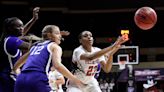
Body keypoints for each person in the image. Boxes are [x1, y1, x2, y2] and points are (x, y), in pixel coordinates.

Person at [13, 25, 85, 92]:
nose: (60, 36)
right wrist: (76, 80)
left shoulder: (34, 47)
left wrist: (22, 76)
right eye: (57, 33)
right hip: (38, 78)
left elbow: (15, 67)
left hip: (21, 79)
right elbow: (57, 65)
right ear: (49, 35)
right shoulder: (54, 46)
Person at [0, 7, 40, 92]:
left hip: (8, 76)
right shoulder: (12, 40)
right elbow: (34, 46)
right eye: (19, 26)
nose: (22, 28)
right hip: (9, 77)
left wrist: (33, 19)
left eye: (22, 26)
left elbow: (22, 31)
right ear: (10, 28)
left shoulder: (9, 38)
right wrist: (48, 38)